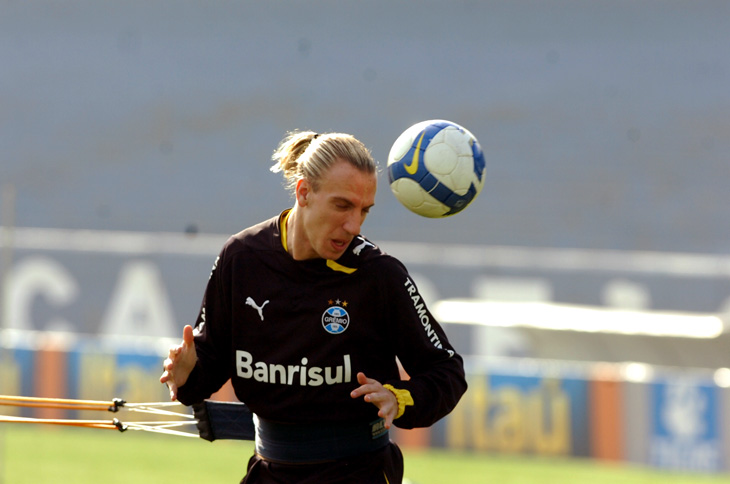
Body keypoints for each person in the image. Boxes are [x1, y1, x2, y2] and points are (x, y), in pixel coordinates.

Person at [160, 130, 467, 483]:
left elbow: (447, 372)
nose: (353, 225)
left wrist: (400, 398)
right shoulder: (241, 257)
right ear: (303, 192)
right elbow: (208, 368)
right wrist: (186, 376)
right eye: (342, 206)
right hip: (268, 472)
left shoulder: (379, 275)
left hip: (358, 473)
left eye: (363, 211)